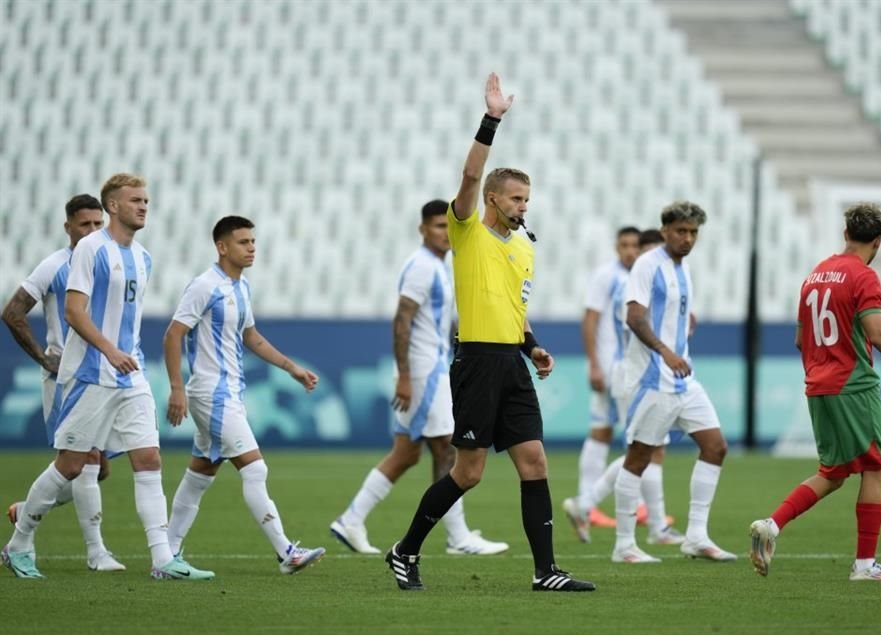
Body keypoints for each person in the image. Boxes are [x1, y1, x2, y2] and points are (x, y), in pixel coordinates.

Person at [383, 73, 594, 592]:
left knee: (535, 461)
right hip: (476, 361)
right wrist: (492, 119)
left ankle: (546, 571)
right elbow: (471, 173)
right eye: (518, 198)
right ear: (494, 200)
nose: (525, 206)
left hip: (512, 363)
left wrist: (533, 346)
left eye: (528, 198)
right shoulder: (468, 230)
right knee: (468, 472)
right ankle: (404, 551)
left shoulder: (525, 247)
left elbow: (515, 309)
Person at [1, 173, 213, 580]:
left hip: (129, 375)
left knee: (149, 457)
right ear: (113, 205)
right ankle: (19, 543)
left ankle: (162, 559)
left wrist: (124, 354)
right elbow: (73, 312)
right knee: (71, 465)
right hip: (88, 375)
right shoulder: (89, 251)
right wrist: (110, 350)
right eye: (135, 200)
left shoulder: (144, 257)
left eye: (146, 200)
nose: (143, 206)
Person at [750, 203, 881, 581]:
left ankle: (771, 525)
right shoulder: (864, 276)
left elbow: (799, 339)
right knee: (874, 468)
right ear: (878, 241)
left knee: (835, 472)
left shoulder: (816, 274)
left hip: (818, 386)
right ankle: (864, 566)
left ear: (845, 234)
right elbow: (878, 334)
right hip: (853, 385)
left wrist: (821, 366)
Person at [330, 201, 508, 556]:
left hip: (433, 366)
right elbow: (402, 320)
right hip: (425, 371)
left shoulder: (440, 266)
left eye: (448, 226)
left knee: (408, 454)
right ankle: (457, 536)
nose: (444, 232)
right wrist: (406, 376)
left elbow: (437, 321)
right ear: (423, 229)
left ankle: (351, 520)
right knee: (447, 447)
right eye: (438, 225)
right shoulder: (421, 267)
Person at [163, 216, 326, 575]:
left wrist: (291, 367)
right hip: (212, 392)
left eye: (253, 242)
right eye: (243, 242)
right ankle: (286, 552)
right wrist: (177, 387)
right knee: (255, 468)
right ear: (222, 247)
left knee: (200, 475)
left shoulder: (241, 287)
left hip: (228, 392)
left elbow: (251, 337)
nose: (251, 248)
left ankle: (166, 556)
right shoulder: (205, 286)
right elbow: (173, 334)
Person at [2, 194, 124, 572]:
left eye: (97, 224)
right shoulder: (55, 265)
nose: (91, 231)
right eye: (83, 224)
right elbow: (13, 311)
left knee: (97, 468)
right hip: (68, 378)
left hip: (102, 374)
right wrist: (43, 357)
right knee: (84, 462)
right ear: (68, 227)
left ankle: (28, 510)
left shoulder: (111, 260)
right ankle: (95, 552)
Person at [612, 201, 737, 564]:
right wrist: (665, 350)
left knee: (715, 447)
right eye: (681, 231)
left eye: (693, 232)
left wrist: (684, 322)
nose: (688, 238)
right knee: (639, 458)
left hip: (684, 379)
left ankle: (696, 536)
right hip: (653, 379)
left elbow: (668, 311)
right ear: (665, 230)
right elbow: (635, 317)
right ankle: (624, 545)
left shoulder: (682, 269)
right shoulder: (647, 265)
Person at [563, 228, 682, 547]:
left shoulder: (633, 283)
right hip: (634, 374)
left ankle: (597, 506)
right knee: (646, 448)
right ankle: (645, 522)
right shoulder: (630, 284)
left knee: (642, 447)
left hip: (627, 372)